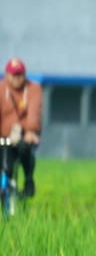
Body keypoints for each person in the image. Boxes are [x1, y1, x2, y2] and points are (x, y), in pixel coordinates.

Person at [1, 57, 42, 197]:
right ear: (7, 75)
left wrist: (31, 130)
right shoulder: (1, 89)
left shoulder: (33, 88)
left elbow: (34, 111)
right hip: (4, 136)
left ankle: (28, 180)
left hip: (24, 135)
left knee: (25, 149)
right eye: (13, 75)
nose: (16, 78)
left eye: (19, 74)